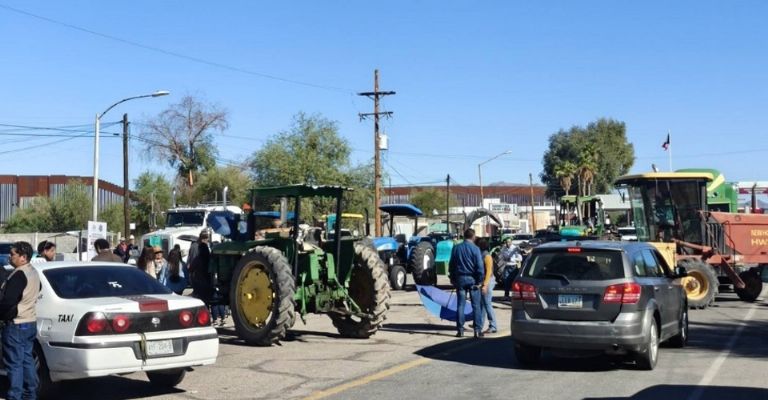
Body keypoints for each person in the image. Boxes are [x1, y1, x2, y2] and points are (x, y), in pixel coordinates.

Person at [0, 241, 41, 400]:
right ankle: (30, 394)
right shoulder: (33, 271)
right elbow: (39, 288)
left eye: (13, 254)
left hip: (16, 324)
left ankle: (15, 395)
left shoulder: (19, 275)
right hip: (30, 322)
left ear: (23, 257)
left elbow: (8, 300)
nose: (10, 257)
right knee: (26, 360)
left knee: (14, 363)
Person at [448, 228, 484, 338]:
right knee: (476, 306)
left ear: (464, 236)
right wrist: (480, 281)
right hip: (472, 279)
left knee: (460, 305)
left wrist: (452, 278)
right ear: (473, 237)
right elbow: (480, 267)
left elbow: (451, 265)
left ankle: (460, 330)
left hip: (460, 279)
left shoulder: (456, 248)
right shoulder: (476, 249)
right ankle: (477, 330)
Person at [476, 238, 498, 334]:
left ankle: (493, 325)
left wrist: (485, 285)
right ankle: (479, 324)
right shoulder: (481, 254)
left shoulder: (487, 256)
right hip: (484, 281)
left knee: (487, 303)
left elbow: (489, 272)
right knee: (483, 304)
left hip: (488, 281)